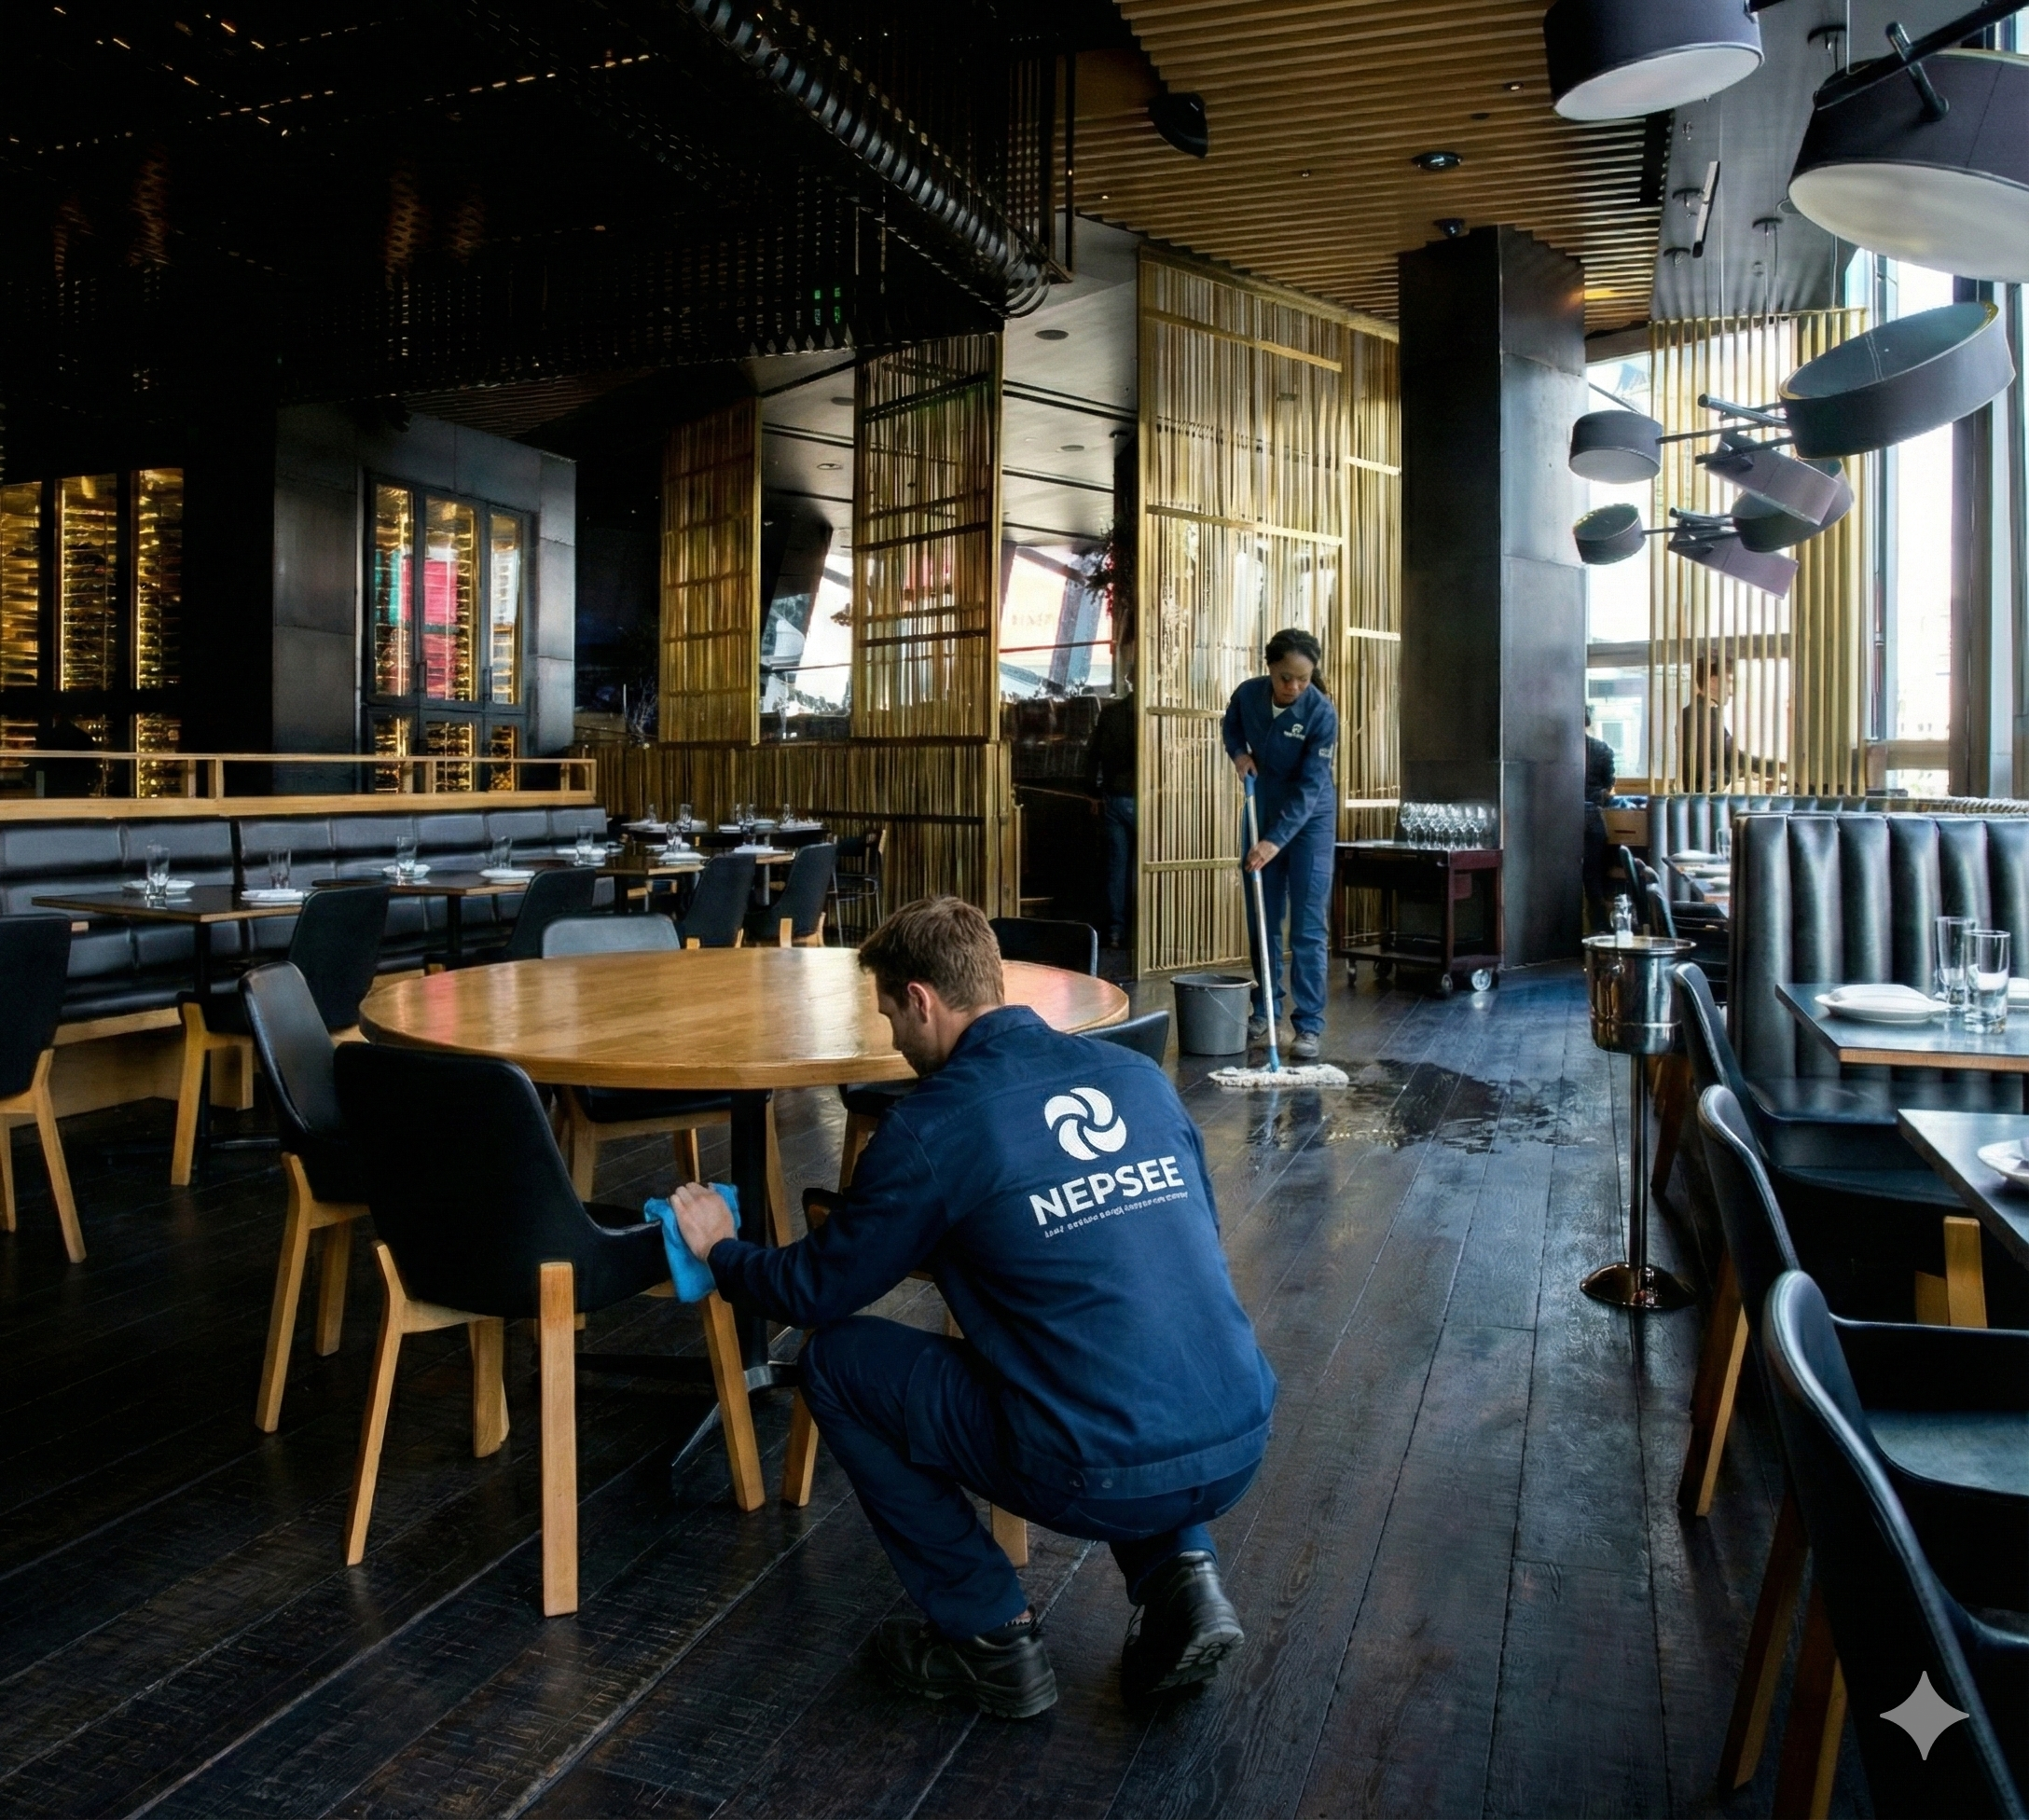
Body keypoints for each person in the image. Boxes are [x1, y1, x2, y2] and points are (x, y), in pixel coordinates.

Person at [669, 896, 1276, 1719]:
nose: (891, 1040)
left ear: (922, 998)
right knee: (1120, 1329)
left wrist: (719, 1249)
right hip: (1240, 1432)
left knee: (838, 1362)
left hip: (1092, 1468)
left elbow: (813, 1291)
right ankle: (1183, 1578)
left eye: (890, 1015)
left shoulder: (932, 1128)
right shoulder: (1137, 1078)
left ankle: (987, 1635)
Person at [1222, 628, 1338, 1063]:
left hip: (1310, 820)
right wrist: (1238, 755)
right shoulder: (1249, 695)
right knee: (1263, 918)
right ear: (1269, 668)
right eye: (1286, 677)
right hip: (1262, 805)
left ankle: (1308, 1024)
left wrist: (1273, 842)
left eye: (1303, 679)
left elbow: (1310, 789)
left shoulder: (1321, 714)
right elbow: (1230, 725)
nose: (1293, 687)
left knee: (1307, 925)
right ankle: (1265, 1009)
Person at [1086, 651, 1136, 950]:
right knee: (1142, 866)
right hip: (1145, 798)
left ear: (1128, 679)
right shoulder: (1151, 715)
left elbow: (1093, 755)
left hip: (1114, 798)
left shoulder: (1111, 714)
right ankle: (1143, 929)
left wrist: (1091, 793)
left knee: (1117, 866)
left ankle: (1117, 931)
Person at [1582, 705, 1615, 933]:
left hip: (1558, 822)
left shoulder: (1553, 753)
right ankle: (1599, 931)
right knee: (1594, 881)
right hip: (1593, 819)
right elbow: (1609, 785)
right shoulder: (1602, 749)